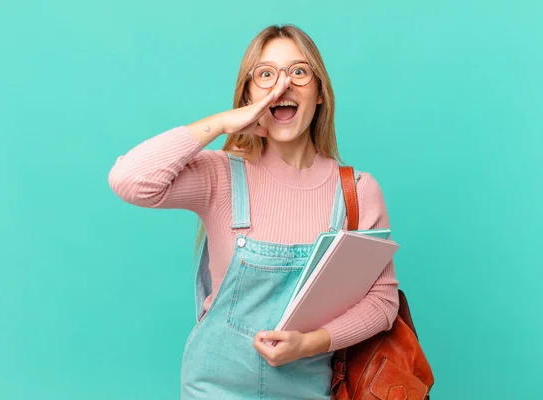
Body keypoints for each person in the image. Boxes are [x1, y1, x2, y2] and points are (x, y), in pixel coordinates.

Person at [108, 24, 399, 400]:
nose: (282, 86)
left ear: (320, 92)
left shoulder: (357, 192)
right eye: (265, 75)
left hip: (309, 391)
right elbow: (129, 179)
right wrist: (222, 123)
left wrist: (310, 343)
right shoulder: (220, 175)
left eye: (298, 72)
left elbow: (383, 302)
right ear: (248, 95)